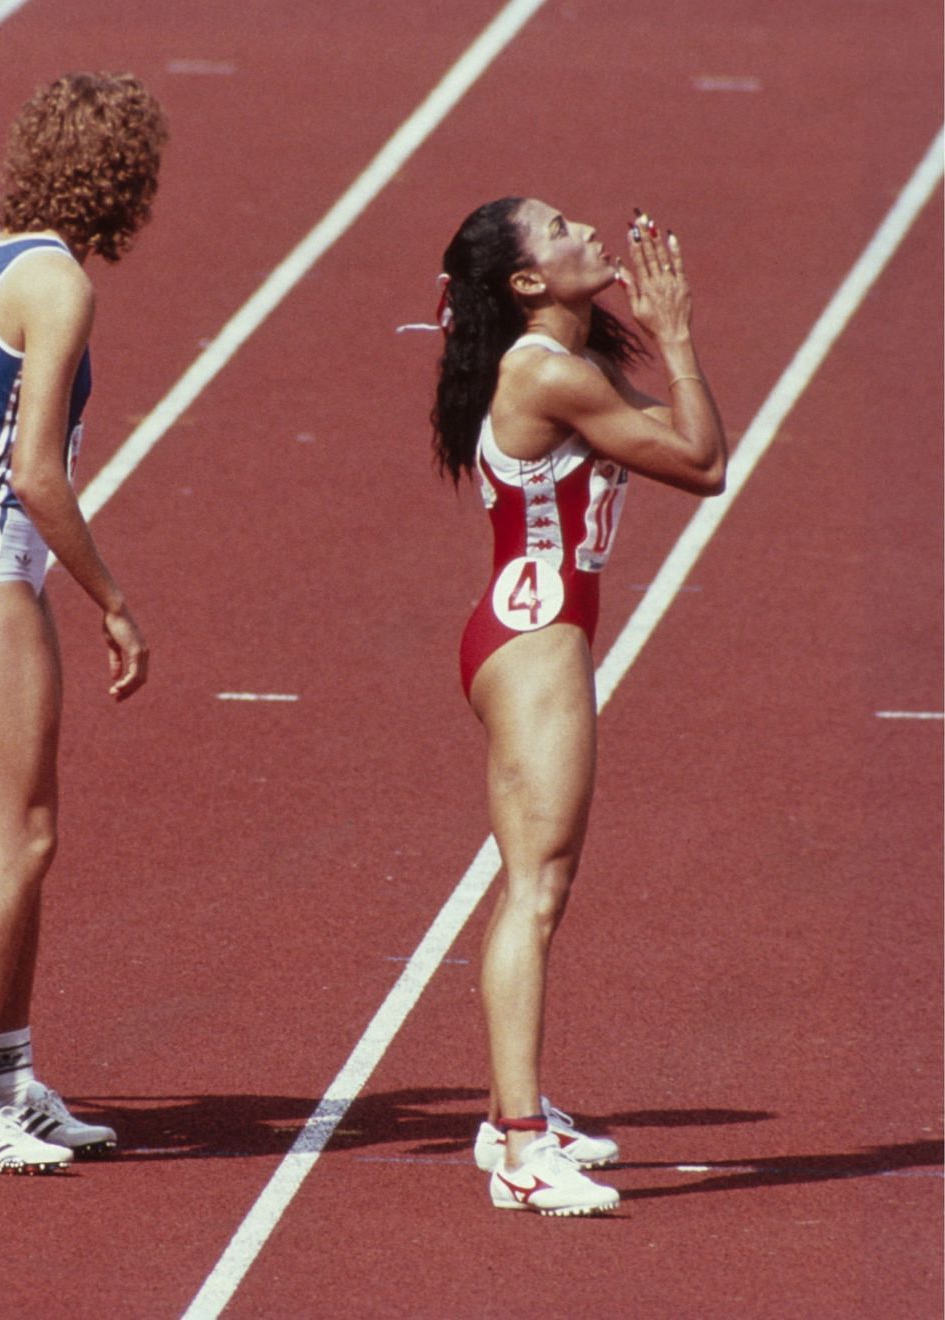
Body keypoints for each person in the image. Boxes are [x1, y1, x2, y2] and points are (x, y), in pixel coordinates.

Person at [0, 72, 167, 1173]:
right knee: (18, 839)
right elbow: (40, 473)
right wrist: (113, 597)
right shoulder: (60, 284)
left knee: (30, 836)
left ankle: (8, 1076)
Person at [430, 198, 726, 1215]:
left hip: (529, 629)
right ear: (524, 282)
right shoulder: (545, 371)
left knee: (532, 884)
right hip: (536, 641)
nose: (587, 234)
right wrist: (678, 338)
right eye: (559, 230)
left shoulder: (554, 368)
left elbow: (674, 446)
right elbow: (703, 464)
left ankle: (515, 1112)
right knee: (537, 890)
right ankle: (516, 1146)